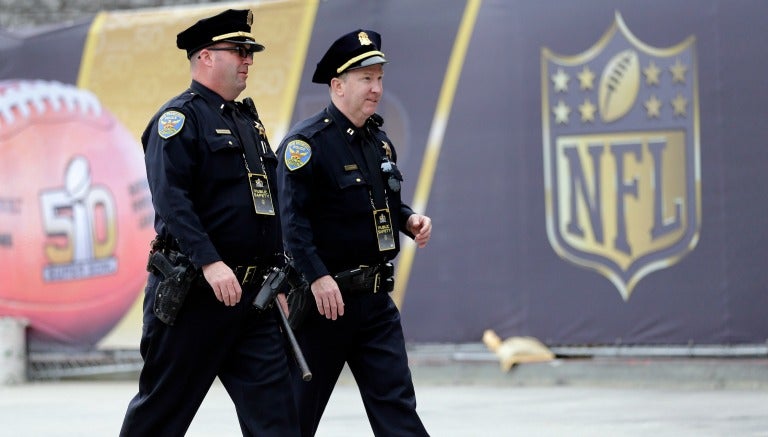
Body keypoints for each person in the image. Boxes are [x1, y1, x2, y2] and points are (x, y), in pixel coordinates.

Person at [120, 9, 299, 437]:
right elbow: (172, 201)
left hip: (253, 300)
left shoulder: (246, 122)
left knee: (277, 419)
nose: (247, 60)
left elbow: (266, 204)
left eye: (250, 52)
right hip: (197, 297)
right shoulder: (178, 120)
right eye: (238, 51)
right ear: (205, 57)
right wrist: (209, 262)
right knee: (160, 415)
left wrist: (281, 277)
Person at [276, 29, 432, 436]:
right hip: (325, 304)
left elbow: (382, 203)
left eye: (380, 78)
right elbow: (291, 222)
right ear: (337, 85)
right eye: (366, 79)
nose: (377, 89)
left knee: (398, 409)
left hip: (375, 303)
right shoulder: (305, 145)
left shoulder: (378, 142)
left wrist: (409, 219)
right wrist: (317, 276)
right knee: (296, 415)